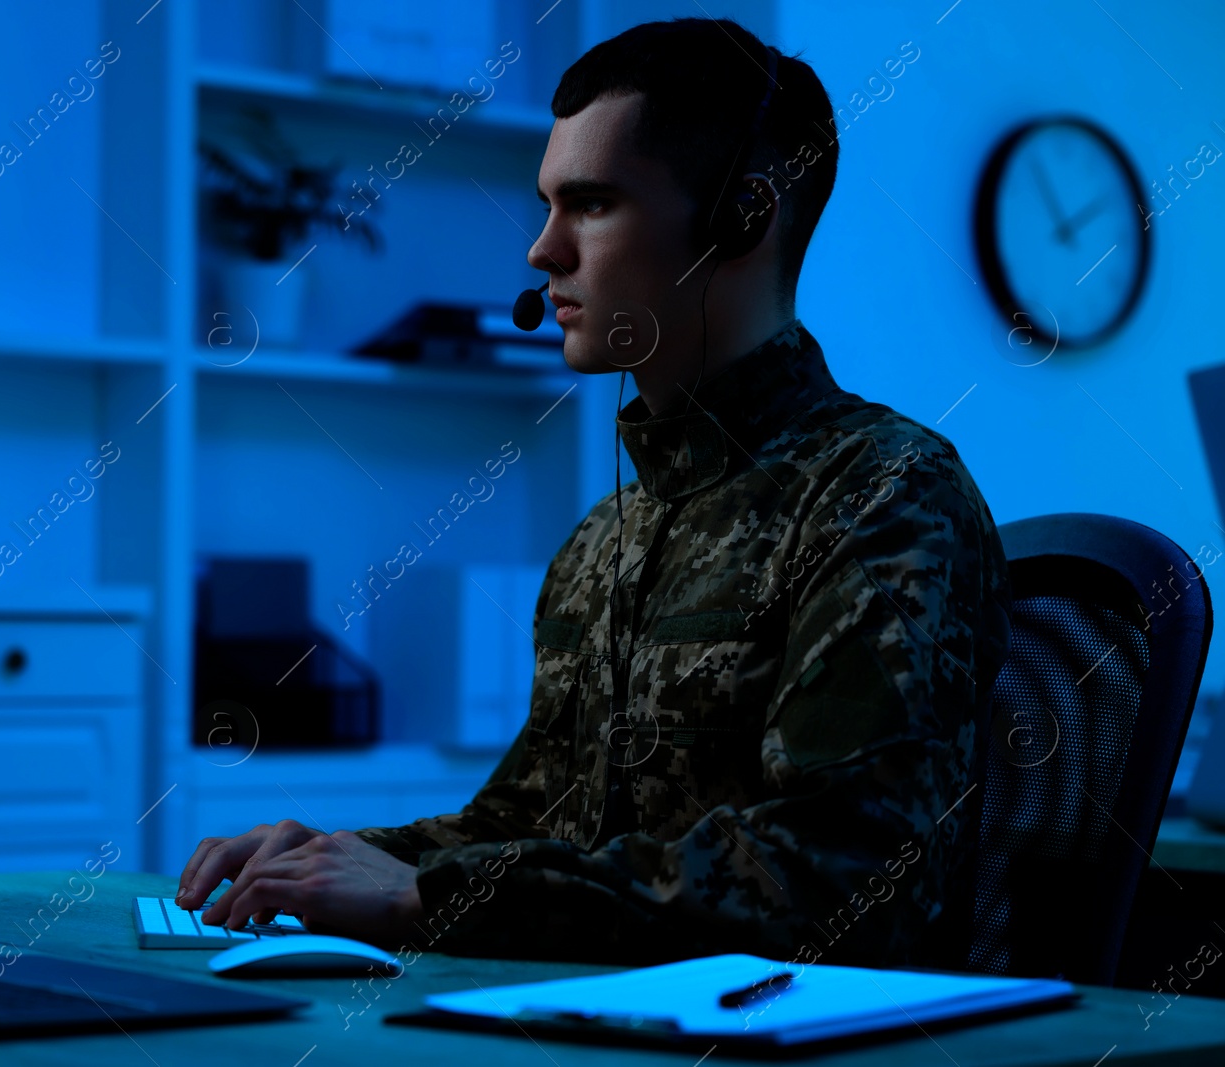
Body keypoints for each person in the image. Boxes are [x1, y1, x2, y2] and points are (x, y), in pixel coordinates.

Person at [176, 16, 1011, 970]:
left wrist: (425, 896)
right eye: (546, 206)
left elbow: (845, 880)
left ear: (742, 216)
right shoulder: (600, 543)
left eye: (592, 204)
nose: (541, 251)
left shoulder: (883, 495)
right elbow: (525, 825)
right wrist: (329, 863)